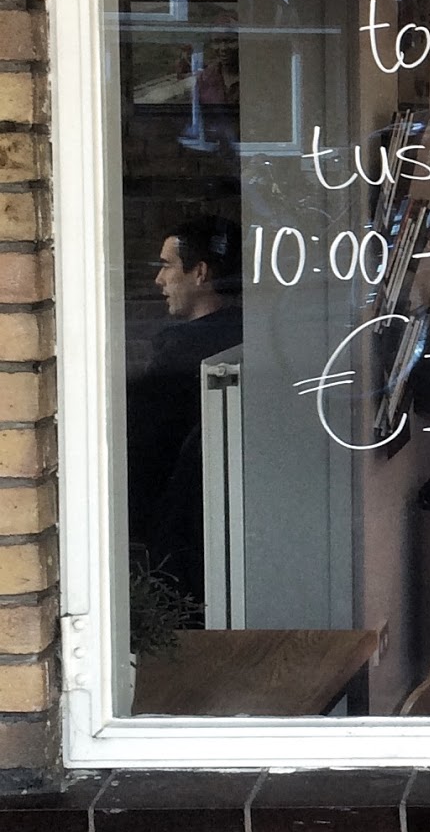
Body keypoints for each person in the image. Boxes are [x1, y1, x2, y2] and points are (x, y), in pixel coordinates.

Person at [126, 215, 243, 609]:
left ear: (200, 273)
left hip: (181, 539)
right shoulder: (247, 335)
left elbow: (144, 451)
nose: (158, 280)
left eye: (166, 266)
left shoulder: (178, 353)